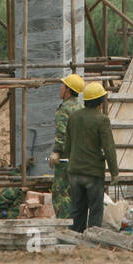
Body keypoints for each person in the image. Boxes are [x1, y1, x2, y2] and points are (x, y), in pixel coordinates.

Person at [62, 81, 119, 233]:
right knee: (95, 211)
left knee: (77, 211)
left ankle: (74, 239)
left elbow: (67, 147)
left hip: (74, 172)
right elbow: (109, 148)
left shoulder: (73, 117)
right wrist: (114, 172)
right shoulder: (102, 120)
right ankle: (91, 242)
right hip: (93, 174)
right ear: (100, 102)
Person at [47, 73, 85, 219]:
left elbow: (62, 134)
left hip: (65, 161)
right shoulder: (81, 108)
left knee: (61, 196)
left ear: (68, 90)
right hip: (80, 160)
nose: (60, 88)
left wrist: (57, 152)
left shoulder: (65, 109)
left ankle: (65, 229)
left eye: (62, 85)